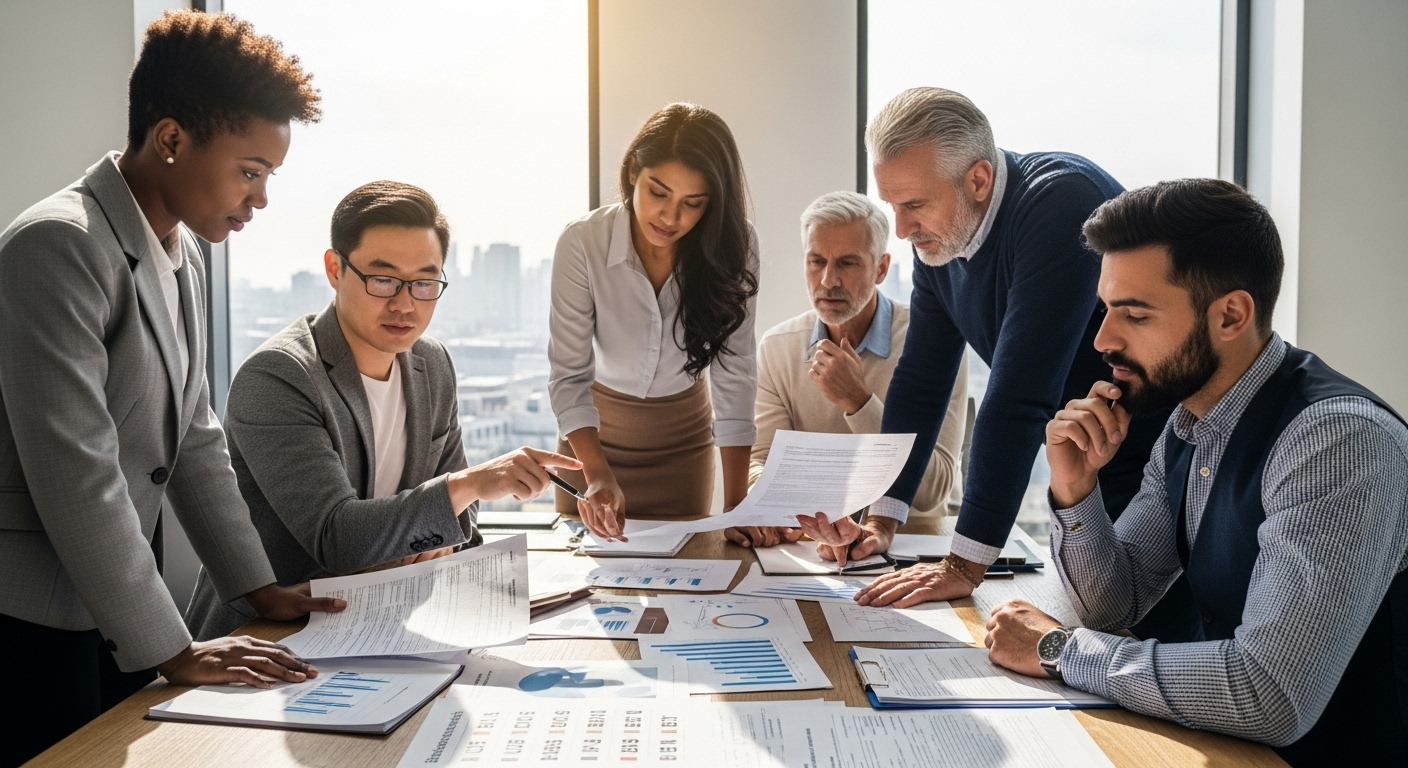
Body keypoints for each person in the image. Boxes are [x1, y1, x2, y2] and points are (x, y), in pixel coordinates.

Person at [0, 12, 345, 765]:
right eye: (249, 170)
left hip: (114, 598)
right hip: (30, 620)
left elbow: (194, 436)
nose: (258, 200)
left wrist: (258, 589)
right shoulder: (58, 244)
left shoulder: (181, 250)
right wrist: (175, 648)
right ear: (170, 139)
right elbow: (77, 474)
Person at [982, 179, 1408, 764]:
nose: (1103, 339)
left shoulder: (1338, 442)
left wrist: (1060, 650)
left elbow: (1270, 692)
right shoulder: (1189, 423)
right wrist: (1077, 490)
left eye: (1134, 314)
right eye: (1105, 310)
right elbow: (1116, 604)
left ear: (1230, 315)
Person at [818, 88, 1189, 642]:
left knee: (1144, 639)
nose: (900, 229)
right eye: (892, 206)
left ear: (978, 180)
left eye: (914, 205)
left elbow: (1019, 396)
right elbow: (921, 382)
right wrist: (882, 519)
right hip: (1086, 454)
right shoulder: (941, 244)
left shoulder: (1062, 203)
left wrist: (963, 566)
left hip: (1160, 459)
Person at [185, 182, 581, 640]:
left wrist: (433, 516)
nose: (405, 303)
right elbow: (339, 538)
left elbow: (462, 525)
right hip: (270, 637)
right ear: (335, 269)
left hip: (386, 622)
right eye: (383, 279)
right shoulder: (278, 376)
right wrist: (466, 486)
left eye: (424, 282)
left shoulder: (431, 364)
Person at [548, 103, 759, 540]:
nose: (670, 216)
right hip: (591, 447)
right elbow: (568, 376)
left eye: (692, 203)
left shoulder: (733, 245)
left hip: (682, 450)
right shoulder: (582, 242)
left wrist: (738, 503)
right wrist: (597, 473)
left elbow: (735, 376)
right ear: (631, 174)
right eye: (658, 192)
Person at [752, 191, 967, 554]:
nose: (828, 280)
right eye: (816, 261)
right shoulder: (778, 347)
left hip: (910, 545)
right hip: (812, 547)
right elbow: (761, 462)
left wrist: (859, 401)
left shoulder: (933, 343)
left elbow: (933, 490)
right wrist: (768, 503)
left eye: (848, 263)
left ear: (881, 268)